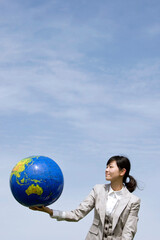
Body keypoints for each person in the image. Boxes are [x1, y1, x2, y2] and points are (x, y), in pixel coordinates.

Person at [30, 155, 141, 240]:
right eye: (106, 167)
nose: (106, 170)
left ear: (122, 171)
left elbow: (128, 233)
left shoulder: (133, 201)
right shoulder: (98, 190)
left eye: (110, 167)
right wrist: (50, 211)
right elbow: (77, 214)